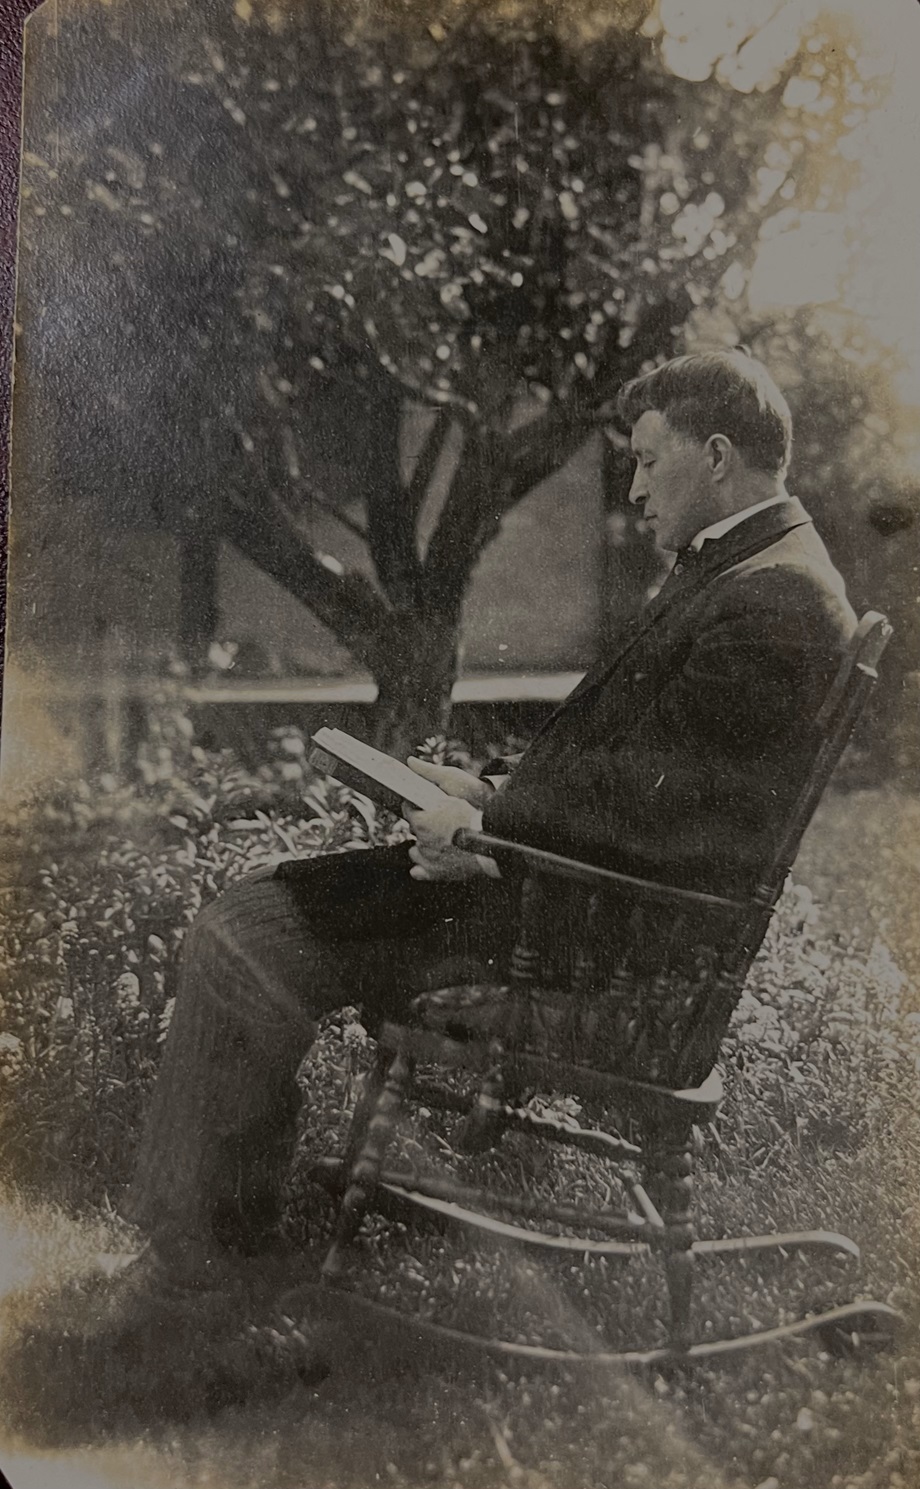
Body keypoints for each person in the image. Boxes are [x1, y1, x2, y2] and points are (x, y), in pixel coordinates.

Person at [121, 348, 856, 1290]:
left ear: (717, 456)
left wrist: (491, 834)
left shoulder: (774, 600)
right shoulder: (749, 570)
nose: (631, 489)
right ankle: (218, 1233)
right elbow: (638, 771)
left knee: (244, 933)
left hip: (581, 946)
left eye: (647, 459)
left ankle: (203, 1258)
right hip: (568, 904)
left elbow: (667, 820)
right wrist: (485, 794)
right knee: (253, 915)